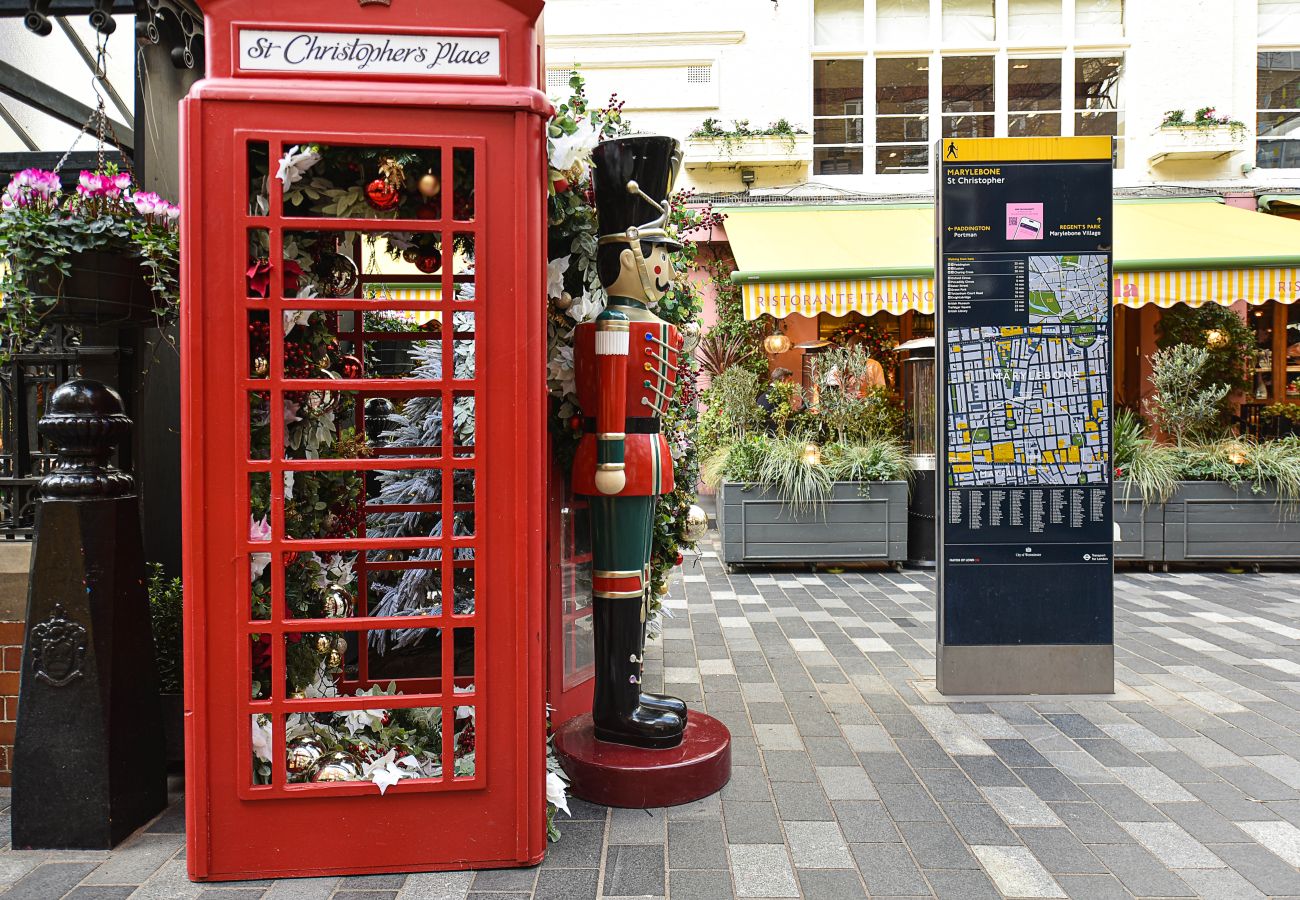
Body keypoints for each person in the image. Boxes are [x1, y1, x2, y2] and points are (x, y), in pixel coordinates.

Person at [571, 135, 688, 750]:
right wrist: (612, 459)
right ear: (631, 258)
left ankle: (631, 692)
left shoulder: (643, 323)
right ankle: (615, 708)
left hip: (644, 461)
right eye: (661, 254)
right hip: (620, 463)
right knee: (617, 581)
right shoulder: (613, 326)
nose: (669, 269)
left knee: (635, 576)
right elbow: (613, 398)